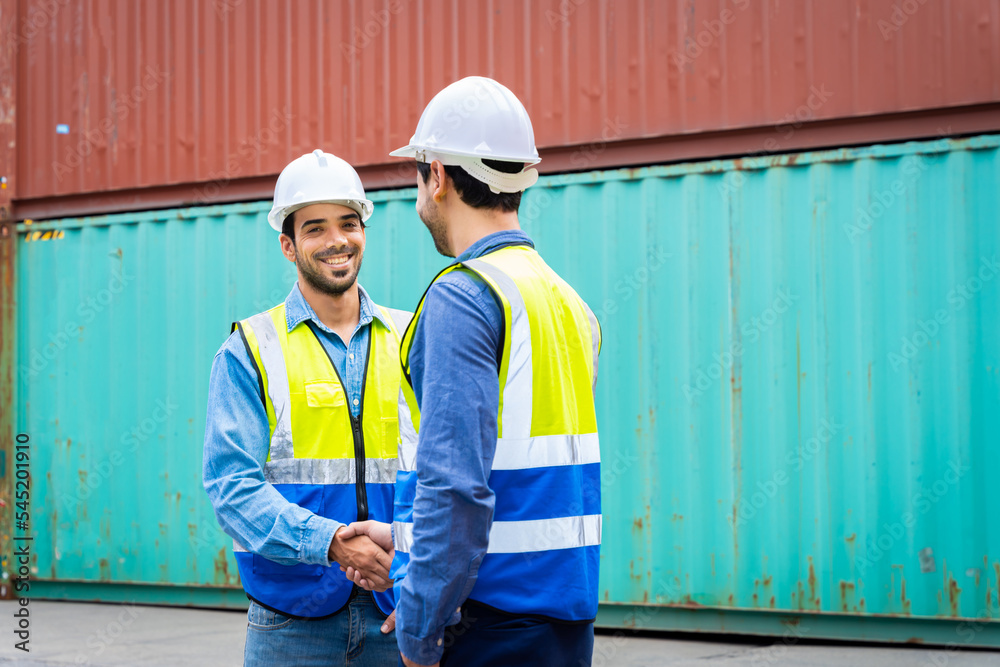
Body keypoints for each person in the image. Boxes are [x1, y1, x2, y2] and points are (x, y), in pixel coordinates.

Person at [342, 77, 603, 667]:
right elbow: (517, 470)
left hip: (489, 627)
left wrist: (420, 628)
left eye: (417, 175)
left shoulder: (464, 297)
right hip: (563, 622)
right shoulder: (568, 302)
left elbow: (456, 486)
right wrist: (405, 539)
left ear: (436, 175)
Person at [202, 149, 411, 666]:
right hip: (290, 624)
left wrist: (415, 570)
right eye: (314, 228)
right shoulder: (249, 349)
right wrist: (333, 543)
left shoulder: (412, 338)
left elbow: (445, 474)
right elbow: (231, 488)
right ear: (288, 246)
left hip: (399, 610)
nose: (337, 240)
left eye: (348, 223)